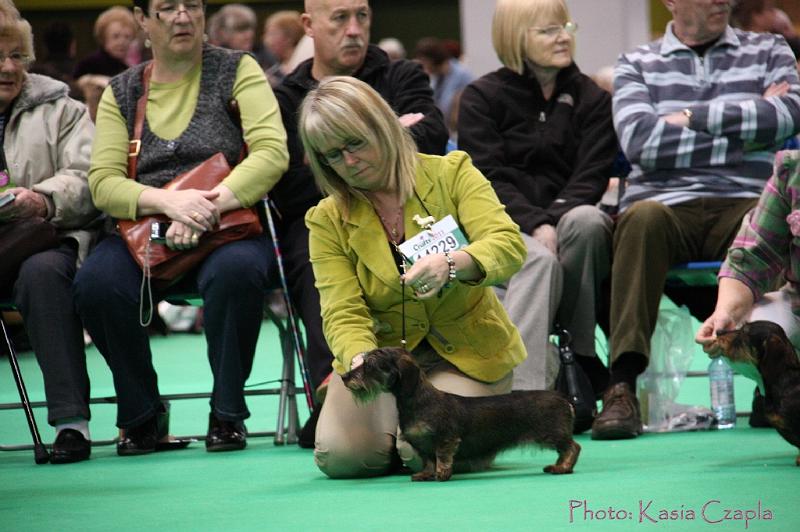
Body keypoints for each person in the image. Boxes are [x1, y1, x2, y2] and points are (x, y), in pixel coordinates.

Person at [73, 0, 288, 455]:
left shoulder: (238, 69)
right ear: (142, 19)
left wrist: (205, 207)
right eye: (167, 7)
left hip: (225, 225)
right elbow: (103, 183)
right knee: (95, 284)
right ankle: (143, 414)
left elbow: (272, 153)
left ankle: (227, 413)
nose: (182, 16)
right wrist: (171, 203)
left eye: (192, 5)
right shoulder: (122, 89)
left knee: (237, 273)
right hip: (144, 232)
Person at [301, 76, 527, 478]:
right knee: (345, 458)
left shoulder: (452, 173)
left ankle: (403, 435)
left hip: (465, 353)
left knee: (423, 447)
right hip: (385, 361)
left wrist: (453, 262)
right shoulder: (326, 220)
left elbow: (507, 244)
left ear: (383, 125)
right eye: (332, 155)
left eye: (355, 143)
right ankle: (393, 430)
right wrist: (359, 359)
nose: (349, 162)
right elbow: (341, 311)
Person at [594, 0, 800, 441]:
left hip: (749, 199)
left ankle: (775, 385)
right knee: (640, 218)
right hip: (665, 206)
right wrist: (746, 116)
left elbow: (785, 119)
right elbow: (640, 143)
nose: (722, 0)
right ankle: (623, 384)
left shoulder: (770, 49)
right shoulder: (637, 62)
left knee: (775, 223)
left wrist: (689, 117)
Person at [272, 0, 449, 443]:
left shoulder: (402, 75)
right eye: (340, 19)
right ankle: (335, 386)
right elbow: (287, 185)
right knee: (318, 268)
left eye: (363, 17)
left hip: (410, 207)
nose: (354, 29)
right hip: (324, 221)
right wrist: (384, 143)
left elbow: (432, 139)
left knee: (440, 256)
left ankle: (434, 384)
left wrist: (331, 163)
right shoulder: (284, 96)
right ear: (308, 26)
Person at [457, 0, 615, 395]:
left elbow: (591, 175)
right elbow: (485, 178)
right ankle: (520, 394)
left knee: (589, 222)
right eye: (547, 30)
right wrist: (535, 223)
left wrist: (556, 219)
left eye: (565, 26)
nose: (563, 37)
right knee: (538, 260)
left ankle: (579, 354)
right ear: (515, 38)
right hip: (503, 224)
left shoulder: (592, 98)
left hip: (570, 221)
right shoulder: (481, 97)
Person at [0, 2, 97, 463]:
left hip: (46, 236)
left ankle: (71, 424)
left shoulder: (65, 109)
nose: (8, 67)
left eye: (17, 55)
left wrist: (40, 197)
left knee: (43, 276)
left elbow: (88, 178)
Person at [696, 149, 800, 356]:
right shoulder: (793, 170)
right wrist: (726, 313)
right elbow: (752, 257)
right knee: (749, 329)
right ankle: (772, 388)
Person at [413, 37, 473, 134]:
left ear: (433, 59)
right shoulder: (434, 77)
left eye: (424, 61)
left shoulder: (462, 75)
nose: (422, 65)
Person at [73, 6, 136, 79]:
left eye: (127, 37)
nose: (122, 42)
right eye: (116, 36)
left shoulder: (126, 68)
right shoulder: (88, 65)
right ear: (103, 37)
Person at [261, 10, 304, 86]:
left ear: (289, 37)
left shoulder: (302, 67)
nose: (265, 39)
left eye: (272, 33)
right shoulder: (276, 68)